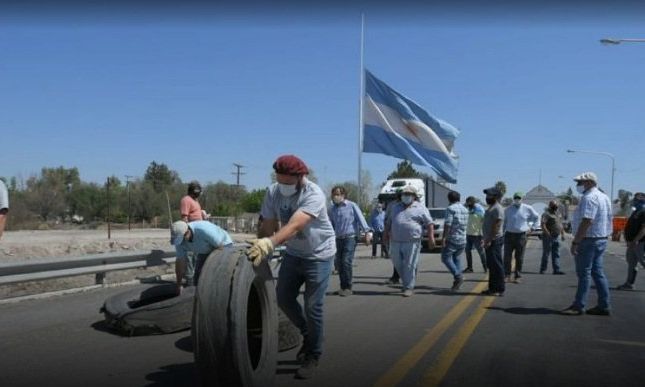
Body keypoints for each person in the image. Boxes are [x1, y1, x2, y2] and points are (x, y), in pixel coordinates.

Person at [246, 155, 336, 380]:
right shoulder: (273, 192)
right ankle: (308, 333)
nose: (283, 186)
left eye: (287, 182)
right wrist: (261, 244)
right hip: (294, 254)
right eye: (280, 181)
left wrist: (270, 243)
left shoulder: (314, 194)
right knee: (283, 298)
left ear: (300, 177)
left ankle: (313, 354)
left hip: (319, 255)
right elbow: (267, 224)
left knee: (313, 305)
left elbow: (295, 225)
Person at [561, 172, 612, 316]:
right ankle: (604, 305)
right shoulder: (604, 197)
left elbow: (587, 221)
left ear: (589, 182)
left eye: (580, 183)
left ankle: (579, 305)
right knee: (598, 273)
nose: (578, 186)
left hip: (588, 239)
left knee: (584, 274)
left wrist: (576, 241)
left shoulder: (589, 198)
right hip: (601, 238)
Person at [384, 185, 434, 297]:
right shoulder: (395, 207)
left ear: (414, 196)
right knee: (397, 263)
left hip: (413, 241)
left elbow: (429, 223)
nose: (405, 196)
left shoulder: (420, 208)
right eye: (404, 194)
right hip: (395, 240)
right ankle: (407, 280)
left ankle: (408, 287)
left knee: (410, 264)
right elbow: (389, 222)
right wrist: (385, 235)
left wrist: (431, 237)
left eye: (408, 194)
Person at [328, 185, 372, 296]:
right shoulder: (332, 209)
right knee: (339, 263)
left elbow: (361, 218)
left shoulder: (352, 205)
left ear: (343, 195)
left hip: (350, 237)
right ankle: (343, 287)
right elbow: (331, 225)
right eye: (334, 194)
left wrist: (367, 232)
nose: (336, 196)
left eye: (338, 194)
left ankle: (348, 287)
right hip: (338, 238)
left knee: (346, 261)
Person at [170, 220, 233, 292]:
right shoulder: (179, 243)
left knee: (216, 273)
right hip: (204, 249)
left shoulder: (203, 230)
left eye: (182, 239)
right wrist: (179, 285)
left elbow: (220, 248)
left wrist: (210, 265)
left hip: (223, 244)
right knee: (198, 276)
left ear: (188, 232)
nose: (182, 243)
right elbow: (180, 263)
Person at [503, 191, 539, 283]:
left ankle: (517, 276)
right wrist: (501, 234)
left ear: (522, 199)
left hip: (521, 236)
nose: (517, 200)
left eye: (519, 198)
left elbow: (537, 217)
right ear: (513, 199)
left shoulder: (528, 208)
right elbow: (504, 223)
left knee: (519, 257)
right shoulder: (508, 209)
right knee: (507, 257)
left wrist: (532, 228)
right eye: (516, 198)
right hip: (509, 235)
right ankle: (507, 275)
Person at [179, 181, 210, 286]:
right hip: (191, 232)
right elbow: (184, 217)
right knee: (190, 256)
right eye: (197, 191)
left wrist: (203, 216)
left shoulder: (195, 201)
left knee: (196, 257)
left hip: (198, 233)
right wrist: (187, 233)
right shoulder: (186, 200)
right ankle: (190, 281)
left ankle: (195, 280)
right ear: (192, 191)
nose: (198, 193)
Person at [616, 192, 645, 290]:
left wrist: (636, 240)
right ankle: (629, 284)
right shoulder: (636, 211)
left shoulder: (644, 211)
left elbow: (644, 229)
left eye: (637, 199)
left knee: (643, 261)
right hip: (632, 243)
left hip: (640, 243)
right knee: (631, 263)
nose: (635, 201)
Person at [441, 191, 469, 292]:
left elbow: (448, 224)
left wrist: (444, 238)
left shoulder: (450, 208)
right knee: (456, 259)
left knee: (445, 258)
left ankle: (458, 276)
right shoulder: (465, 209)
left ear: (449, 199)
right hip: (462, 238)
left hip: (453, 238)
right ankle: (457, 283)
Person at [481, 187, 505, 296]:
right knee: (491, 265)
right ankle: (492, 288)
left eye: (489, 195)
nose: (487, 197)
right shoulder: (491, 207)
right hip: (489, 239)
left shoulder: (497, 208)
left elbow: (497, 225)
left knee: (496, 265)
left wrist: (489, 240)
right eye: (487, 195)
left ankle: (499, 289)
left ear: (495, 196)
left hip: (494, 240)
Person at [540, 200, 566, 275]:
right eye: (554, 205)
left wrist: (563, 234)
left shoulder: (558, 214)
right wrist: (547, 234)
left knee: (556, 254)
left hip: (557, 236)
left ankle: (556, 270)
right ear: (550, 205)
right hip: (548, 237)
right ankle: (543, 269)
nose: (556, 206)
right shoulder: (546, 214)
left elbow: (560, 224)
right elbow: (543, 224)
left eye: (556, 205)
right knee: (546, 254)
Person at [464, 196, 487, 273]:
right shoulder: (469, 209)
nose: (468, 205)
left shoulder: (479, 209)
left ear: (473, 202)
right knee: (467, 251)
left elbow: (484, 221)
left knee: (480, 252)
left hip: (477, 235)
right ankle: (470, 268)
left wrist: (483, 235)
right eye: (467, 203)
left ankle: (485, 267)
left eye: (469, 203)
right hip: (468, 234)